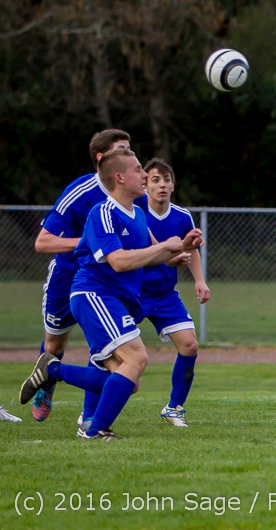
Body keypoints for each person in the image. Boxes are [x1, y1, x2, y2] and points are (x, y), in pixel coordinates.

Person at [19, 149, 203, 440]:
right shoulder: (102, 212)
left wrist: (184, 245)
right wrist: (167, 246)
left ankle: (53, 370)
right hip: (94, 294)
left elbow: (160, 256)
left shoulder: (138, 213)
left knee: (129, 379)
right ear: (120, 177)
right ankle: (95, 429)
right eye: (138, 170)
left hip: (113, 299)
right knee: (137, 359)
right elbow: (119, 260)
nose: (144, 175)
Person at [30, 129, 136, 422]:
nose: (130, 156)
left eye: (130, 149)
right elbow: (43, 242)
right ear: (103, 159)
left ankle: (90, 416)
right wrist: (88, 241)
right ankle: (46, 382)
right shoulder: (80, 192)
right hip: (66, 278)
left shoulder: (131, 195)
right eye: (122, 150)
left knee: (104, 348)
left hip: (103, 284)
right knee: (54, 345)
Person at [141, 158, 209, 426]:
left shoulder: (182, 215)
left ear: (173, 184)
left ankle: (174, 408)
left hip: (164, 294)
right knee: (109, 350)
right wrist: (173, 252)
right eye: (155, 179)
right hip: (130, 292)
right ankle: (90, 411)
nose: (162, 184)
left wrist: (200, 280)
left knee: (190, 345)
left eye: (166, 179)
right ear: (144, 184)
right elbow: (156, 249)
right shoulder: (133, 209)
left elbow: (190, 249)